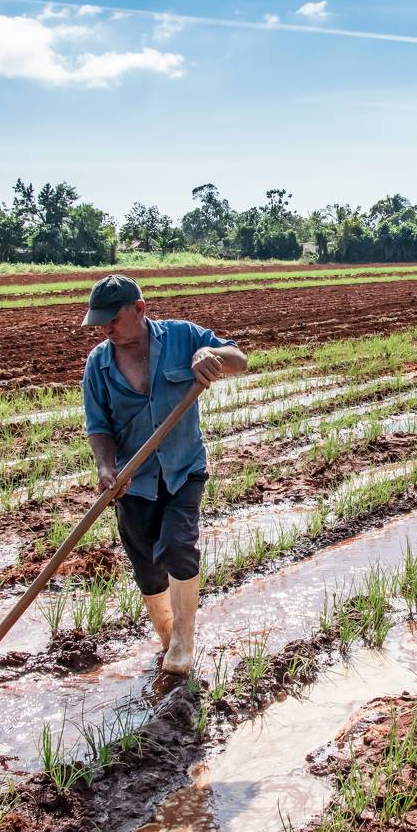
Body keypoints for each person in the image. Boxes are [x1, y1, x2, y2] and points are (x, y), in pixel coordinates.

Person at [80, 274, 248, 675]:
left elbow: (239, 359)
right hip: (133, 480)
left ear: (140, 309)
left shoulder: (182, 337)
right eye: (100, 321)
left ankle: (184, 641)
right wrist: (106, 467)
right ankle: (167, 636)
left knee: (177, 546)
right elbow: (98, 426)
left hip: (182, 468)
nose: (106, 329)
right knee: (146, 567)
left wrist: (209, 354)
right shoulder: (98, 364)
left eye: (113, 319)